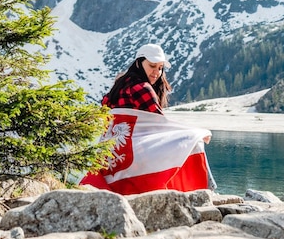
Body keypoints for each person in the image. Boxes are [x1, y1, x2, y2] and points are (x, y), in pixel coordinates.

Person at [80, 43, 217, 195]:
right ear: (139, 63)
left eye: (160, 68)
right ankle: (205, 190)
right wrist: (196, 132)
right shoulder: (142, 88)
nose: (157, 72)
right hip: (134, 150)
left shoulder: (118, 85)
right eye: (152, 66)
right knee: (193, 142)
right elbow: (160, 124)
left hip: (109, 151)